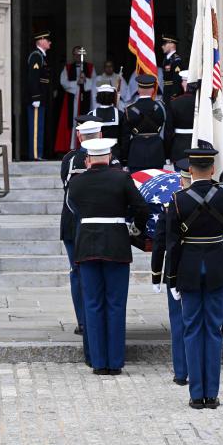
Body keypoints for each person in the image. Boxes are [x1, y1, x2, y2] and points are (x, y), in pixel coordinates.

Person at [69, 138, 149, 375]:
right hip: (116, 243)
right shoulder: (121, 178)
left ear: (88, 159)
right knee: (115, 304)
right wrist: (134, 229)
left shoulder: (77, 182)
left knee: (92, 304)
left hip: (87, 244)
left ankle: (97, 361)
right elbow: (142, 209)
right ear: (109, 155)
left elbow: (74, 207)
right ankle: (114, 362)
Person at [166, 148, 223, 409]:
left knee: (193, 330)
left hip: (189, 269)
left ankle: (196, 395)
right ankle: (212, 394)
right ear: (211, 169)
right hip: (218, 267)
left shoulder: (177, 200)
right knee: (214, 330)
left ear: (191, 170)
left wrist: (171, 280)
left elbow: (172, 245)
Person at [60, 117, 104, 336]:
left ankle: (83, 321)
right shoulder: (108, 161)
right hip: (98, 222)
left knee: (77, 271)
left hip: (72, 220)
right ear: (101, 137)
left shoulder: (69, 159)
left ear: (79, 136)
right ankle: (95, 318)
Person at [151, 158, 191, 386]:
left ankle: (181, 371)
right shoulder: (217, 199)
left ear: (181, 180)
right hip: (206, 267)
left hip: (176, 270)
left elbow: (161, 243)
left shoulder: (172, 204)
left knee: (178, 322)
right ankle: (200, 367)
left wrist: (157, 274)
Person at [121, 74, 166, 173]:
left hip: (136, 154)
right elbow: (167, 131)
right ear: (153, 90)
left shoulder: (129, 110)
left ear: (138, 90)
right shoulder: (161, 108)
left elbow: (125, 137)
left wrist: (124, 158)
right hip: (157, 154)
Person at [55, 46, 96, 153]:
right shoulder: (68, 67)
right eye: (76, 54)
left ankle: (84, 145)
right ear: (73, 55)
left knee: (85, 120)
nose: (78, 56)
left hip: (86, 97)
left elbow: (94, 82)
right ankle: (72, 146)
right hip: (72, 98)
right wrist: (76, 83)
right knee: (72, 121)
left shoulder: (90, 67)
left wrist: (85, 80)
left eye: (80, 54)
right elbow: (63, 82)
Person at [27, 30, 52, 160]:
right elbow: (33, 78)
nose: (49, 42)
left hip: (42, 97)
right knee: (36, 127)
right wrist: (35, 97)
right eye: (47, 40)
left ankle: (39, 153)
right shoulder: (36, 56)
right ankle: (35, 155)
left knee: (40, 126)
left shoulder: (41, 56)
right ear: (41, 41)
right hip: (37, 98)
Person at [165, 70, 196, 167]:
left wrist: (167, 154)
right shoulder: (202, 102)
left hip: (179, 147)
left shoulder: (175, 102)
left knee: (180, 179)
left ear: (185, 84)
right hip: (198, 146)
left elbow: (168, 131)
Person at [88, 84, 122, 160]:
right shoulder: (120, 114)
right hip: (115, 152)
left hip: (96, 152)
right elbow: (123, 137)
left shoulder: (91, 115)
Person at [161, 34, 182, 105]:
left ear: (172, 44)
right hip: (167, 92)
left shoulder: (176, 60)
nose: (162, 46)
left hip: (172, 94)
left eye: (165, 44)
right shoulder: (167, 59)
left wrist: (174, 95)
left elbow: (177, 79)